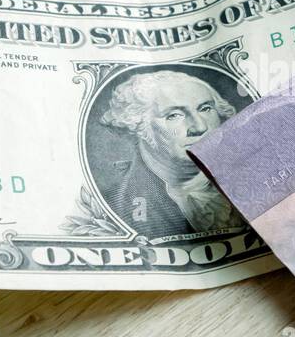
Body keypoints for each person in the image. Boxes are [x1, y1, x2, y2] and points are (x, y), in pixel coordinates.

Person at [99, 70, 241, 238]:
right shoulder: (113, 207)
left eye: (205, 108)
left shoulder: (252, 175)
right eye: (174, 115)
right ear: (139, 126)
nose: (199, 127)